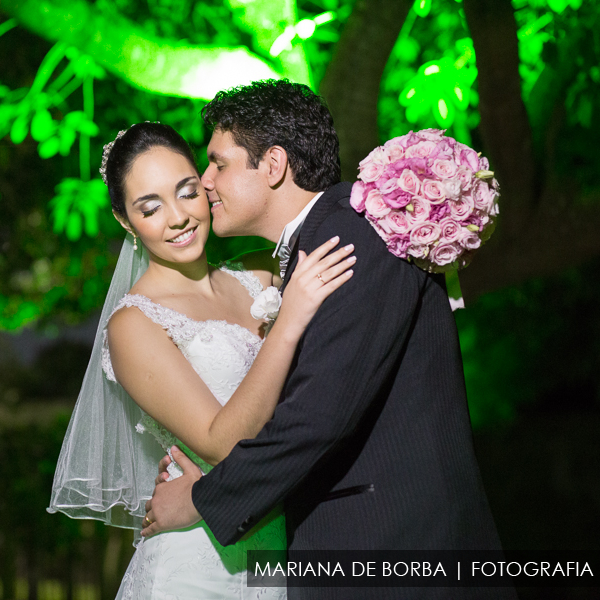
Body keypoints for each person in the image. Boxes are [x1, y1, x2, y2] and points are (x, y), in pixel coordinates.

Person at [141, 80, 514, 599]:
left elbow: (319, 415)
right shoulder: (313, 248)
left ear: (272, 165)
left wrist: (200, 499)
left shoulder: (352, 236)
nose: (204, 182)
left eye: (219, 164)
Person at [47, 121, 356, 599]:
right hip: (196, 567)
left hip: (278, 552)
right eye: (150, 208)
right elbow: (221, 443)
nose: (178, 217)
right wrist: (289, 319)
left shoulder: (262, 271)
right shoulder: (134, 325)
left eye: (187, 192)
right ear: (125, 221)